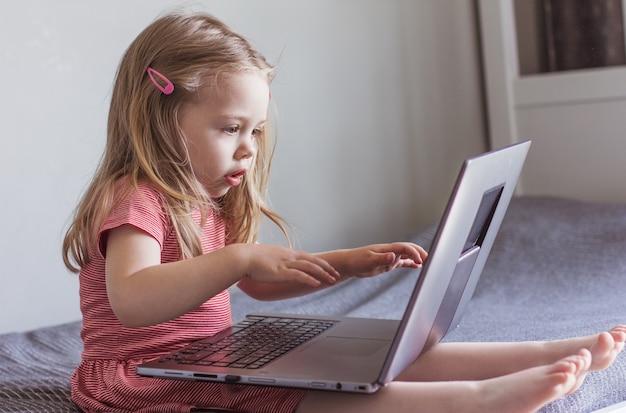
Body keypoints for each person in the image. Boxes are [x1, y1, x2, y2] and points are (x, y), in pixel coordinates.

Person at [62, 10, 625, 413]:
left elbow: (258, 284)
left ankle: (543, 351)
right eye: (230, 129)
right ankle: (479, 401)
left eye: (255, 130)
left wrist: (346, 264)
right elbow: (132, 299)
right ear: (160, 116)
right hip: (139, 379)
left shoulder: (212, 198)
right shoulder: (136, 195)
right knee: (296, 392)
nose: (248, 148)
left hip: (206, 358)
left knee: (372, 352)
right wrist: (237, 259)